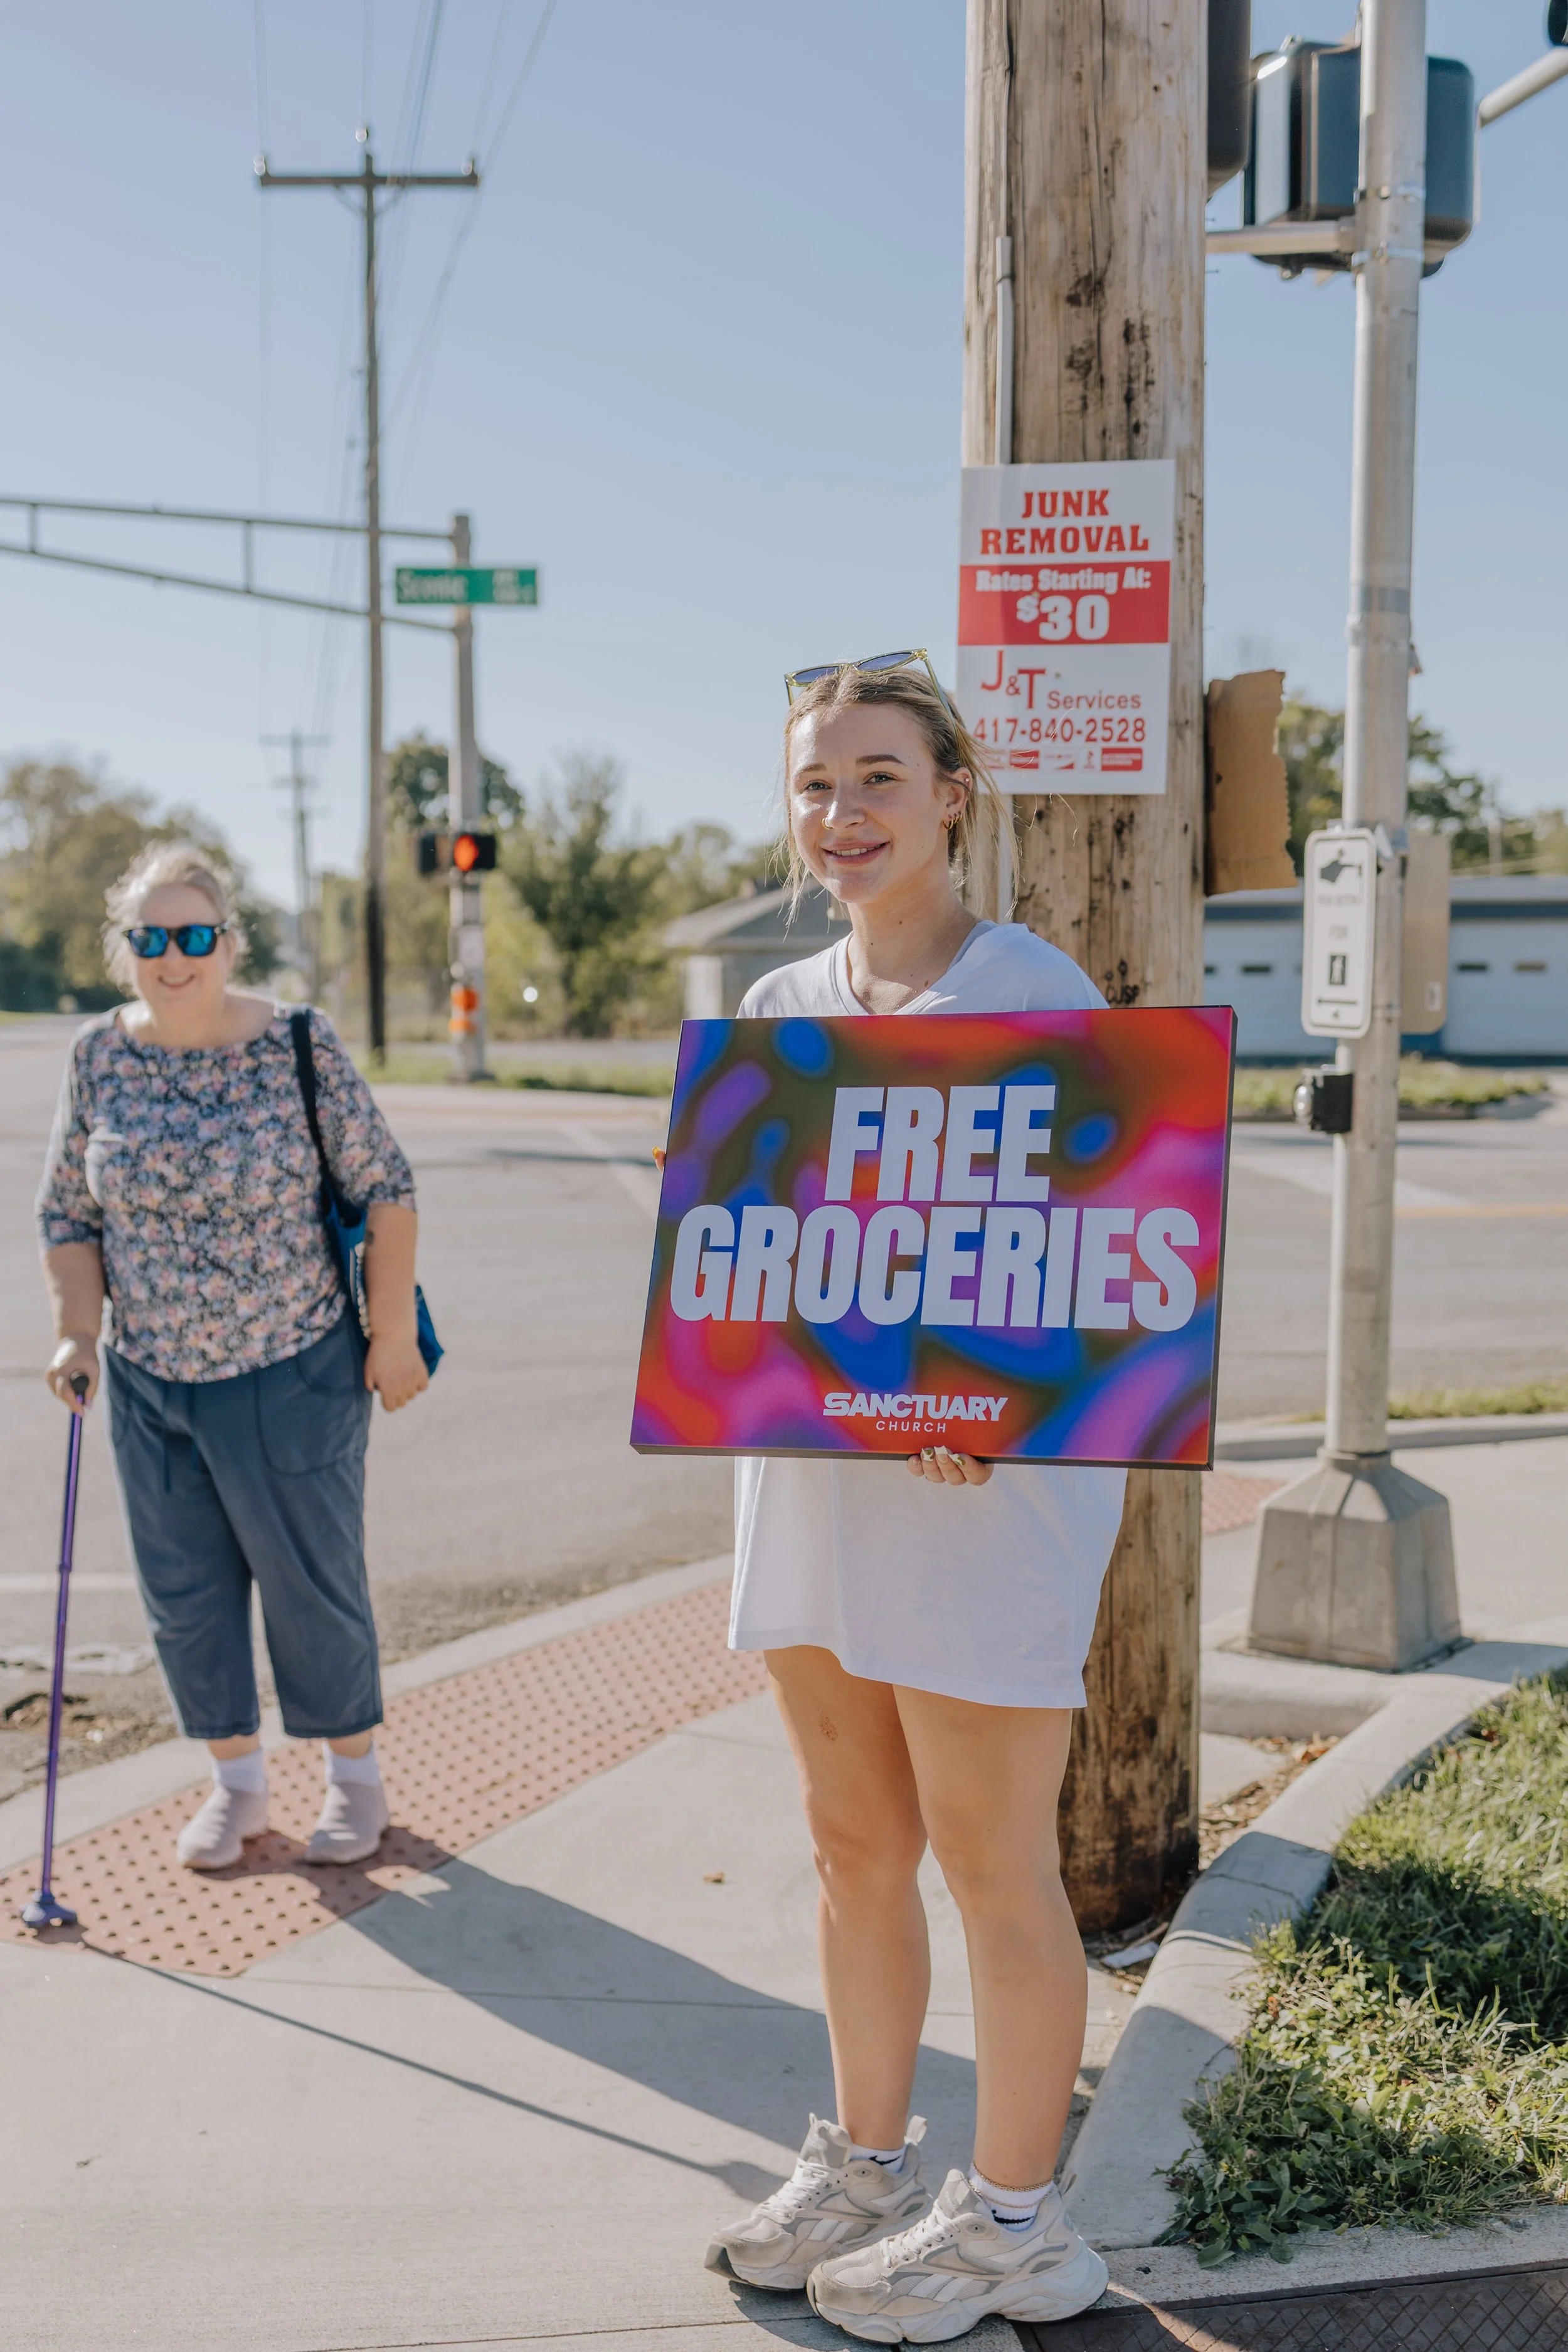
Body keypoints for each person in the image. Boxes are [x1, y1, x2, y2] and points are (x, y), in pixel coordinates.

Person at [702, 658, 1125, 2341]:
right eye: (816, 783)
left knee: (988, 1857)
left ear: (955, 789)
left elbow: (1098, 1265)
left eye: (877, 774)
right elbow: (743, 1258)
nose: (843, 812)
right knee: (850, 1844)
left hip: (977, 1492)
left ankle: (1017, 2223)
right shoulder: (774, 1007)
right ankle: (866, 2164)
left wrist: (982, 1396)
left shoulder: (1035, 989)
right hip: (811, 1481)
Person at [36, 842, 428, 1871]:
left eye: (195, 935)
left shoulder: (296, 1041)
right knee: (186, 1594)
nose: (175, 956)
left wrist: (390, 1336)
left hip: (290, 1365)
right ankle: (237, 1785)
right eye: (152, 937)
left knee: (311, 1584)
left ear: (228, 943)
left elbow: (385, 1186)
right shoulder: (97, 1056)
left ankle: (354, 1779)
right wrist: (80, 1331)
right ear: (126, 949)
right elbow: (69, 1212)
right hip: (149, 1378)